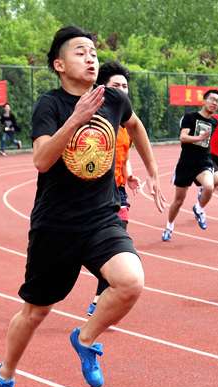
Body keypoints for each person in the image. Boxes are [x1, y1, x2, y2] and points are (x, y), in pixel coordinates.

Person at [0, 26, 167, 387]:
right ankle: (6, 375)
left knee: (131, 282)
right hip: (56, 225)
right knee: (36, 312)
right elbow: (41, 160)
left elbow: (135, 126)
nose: (90, 58)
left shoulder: (114, 99)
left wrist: (153, 170)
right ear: (59, 65)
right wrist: (76, 118)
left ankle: (85, 339)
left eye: (93, 52)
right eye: (80, 52)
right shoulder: (49, 105)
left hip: (101, 218)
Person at [86, 60, 142, 317]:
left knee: (118, 236)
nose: (122, 90)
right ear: (103, 89)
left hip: (117, 190)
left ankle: (99, 297)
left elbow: (125, 155)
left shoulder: (127, 124)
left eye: (125, 86)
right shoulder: (95, 121)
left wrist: (128, 175)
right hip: (92, 191)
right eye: (116, 86)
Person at [161, 89, 218, 242]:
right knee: (178, 201)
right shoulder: (190, 117)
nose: (214, 103)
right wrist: (198, 138)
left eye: (217, 101)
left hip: (204, 162)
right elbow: (183, 137)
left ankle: (199, 209)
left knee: (209, 186)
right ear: (204, 101)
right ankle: (169, 226)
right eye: (212, 99)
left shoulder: (215, 122)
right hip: (186, 163)